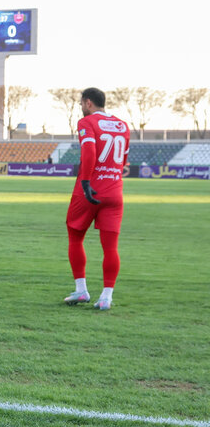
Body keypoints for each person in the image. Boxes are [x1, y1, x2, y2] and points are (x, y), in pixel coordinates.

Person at [64, 87, 130, 311]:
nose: (82, 108)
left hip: (90, 189)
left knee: (75, 237)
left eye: (81, 104)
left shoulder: (87, 122)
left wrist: (85, 182)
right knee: (111, 247)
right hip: (114, 191)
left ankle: (81, 290)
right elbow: (123, 161)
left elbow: (90, 152)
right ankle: (106, 297)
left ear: (88, 102)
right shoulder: (122, 126)